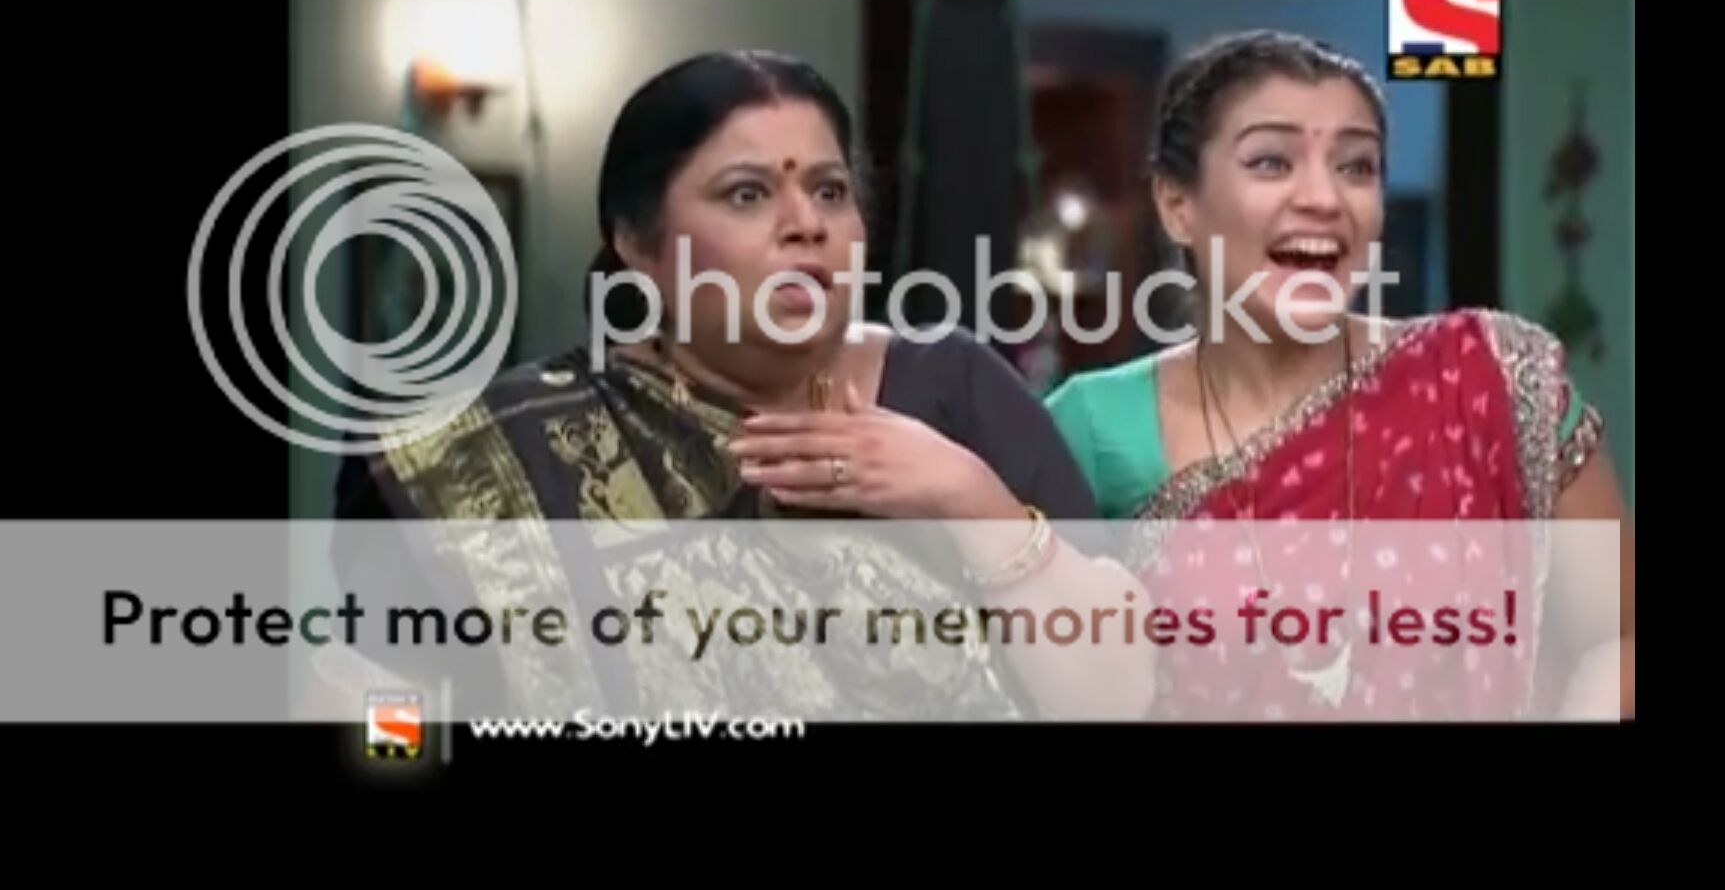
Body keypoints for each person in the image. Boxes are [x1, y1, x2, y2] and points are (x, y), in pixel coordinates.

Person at [323, 49, 1154, 723]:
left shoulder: (954, 391)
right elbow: (380, 715)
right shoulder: (503, 455)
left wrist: (967, 499)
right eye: (748, 194)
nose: (807, 223)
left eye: (829, 190)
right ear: (638, 244)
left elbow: (1119, 699)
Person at [1044, 31, 1633, 722]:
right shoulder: (1091, 426)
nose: (1325, 198)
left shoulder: (1492, 377)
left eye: (1357, 167)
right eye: (1271, 161)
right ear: (1179, 205)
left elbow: (1617, 640)